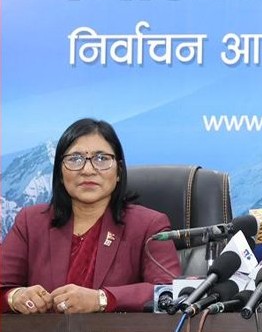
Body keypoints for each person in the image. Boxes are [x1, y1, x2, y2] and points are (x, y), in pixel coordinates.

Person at [0, 118, 181, 314]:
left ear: (119, 171)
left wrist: (101, 299)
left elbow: (169, 292)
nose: (87, 170)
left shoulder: (148, 225)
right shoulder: (31, 221)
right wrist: (15, 297)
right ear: (60, 173)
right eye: (75, 159)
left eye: (101, 159)